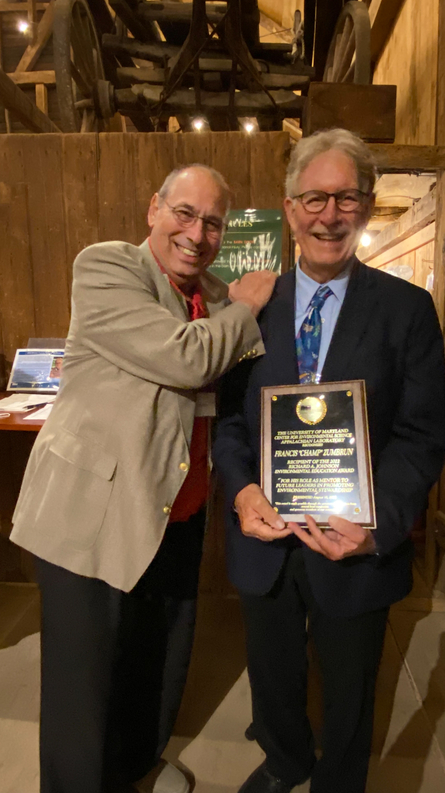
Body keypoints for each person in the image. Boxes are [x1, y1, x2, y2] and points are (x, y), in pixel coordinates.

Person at [10, 164, 277, 793]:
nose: (197, 232)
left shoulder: (213, 295)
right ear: (155, 209)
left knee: (152, 661)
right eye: (185, 213)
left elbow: (232, 384)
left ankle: (134, 766)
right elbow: (184, 357)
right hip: (94, 510)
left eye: (213, 222)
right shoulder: (107, 266)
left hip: (175, 511)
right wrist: (246, 309)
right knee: (84, 682)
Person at [212, 129, 445, 793]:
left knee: (350, 688)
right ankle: (285, 759)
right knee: (273, 671)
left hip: (356, 543)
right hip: (268, 538)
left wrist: (378, 525)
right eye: (314, 197)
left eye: (347, 197)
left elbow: (423, 434)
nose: (329, 213)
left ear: (367, 208)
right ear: (289, 209)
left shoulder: (407, 311)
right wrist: (241, 493)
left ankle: (339, 781)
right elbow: (229, 422)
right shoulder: (251, 309)